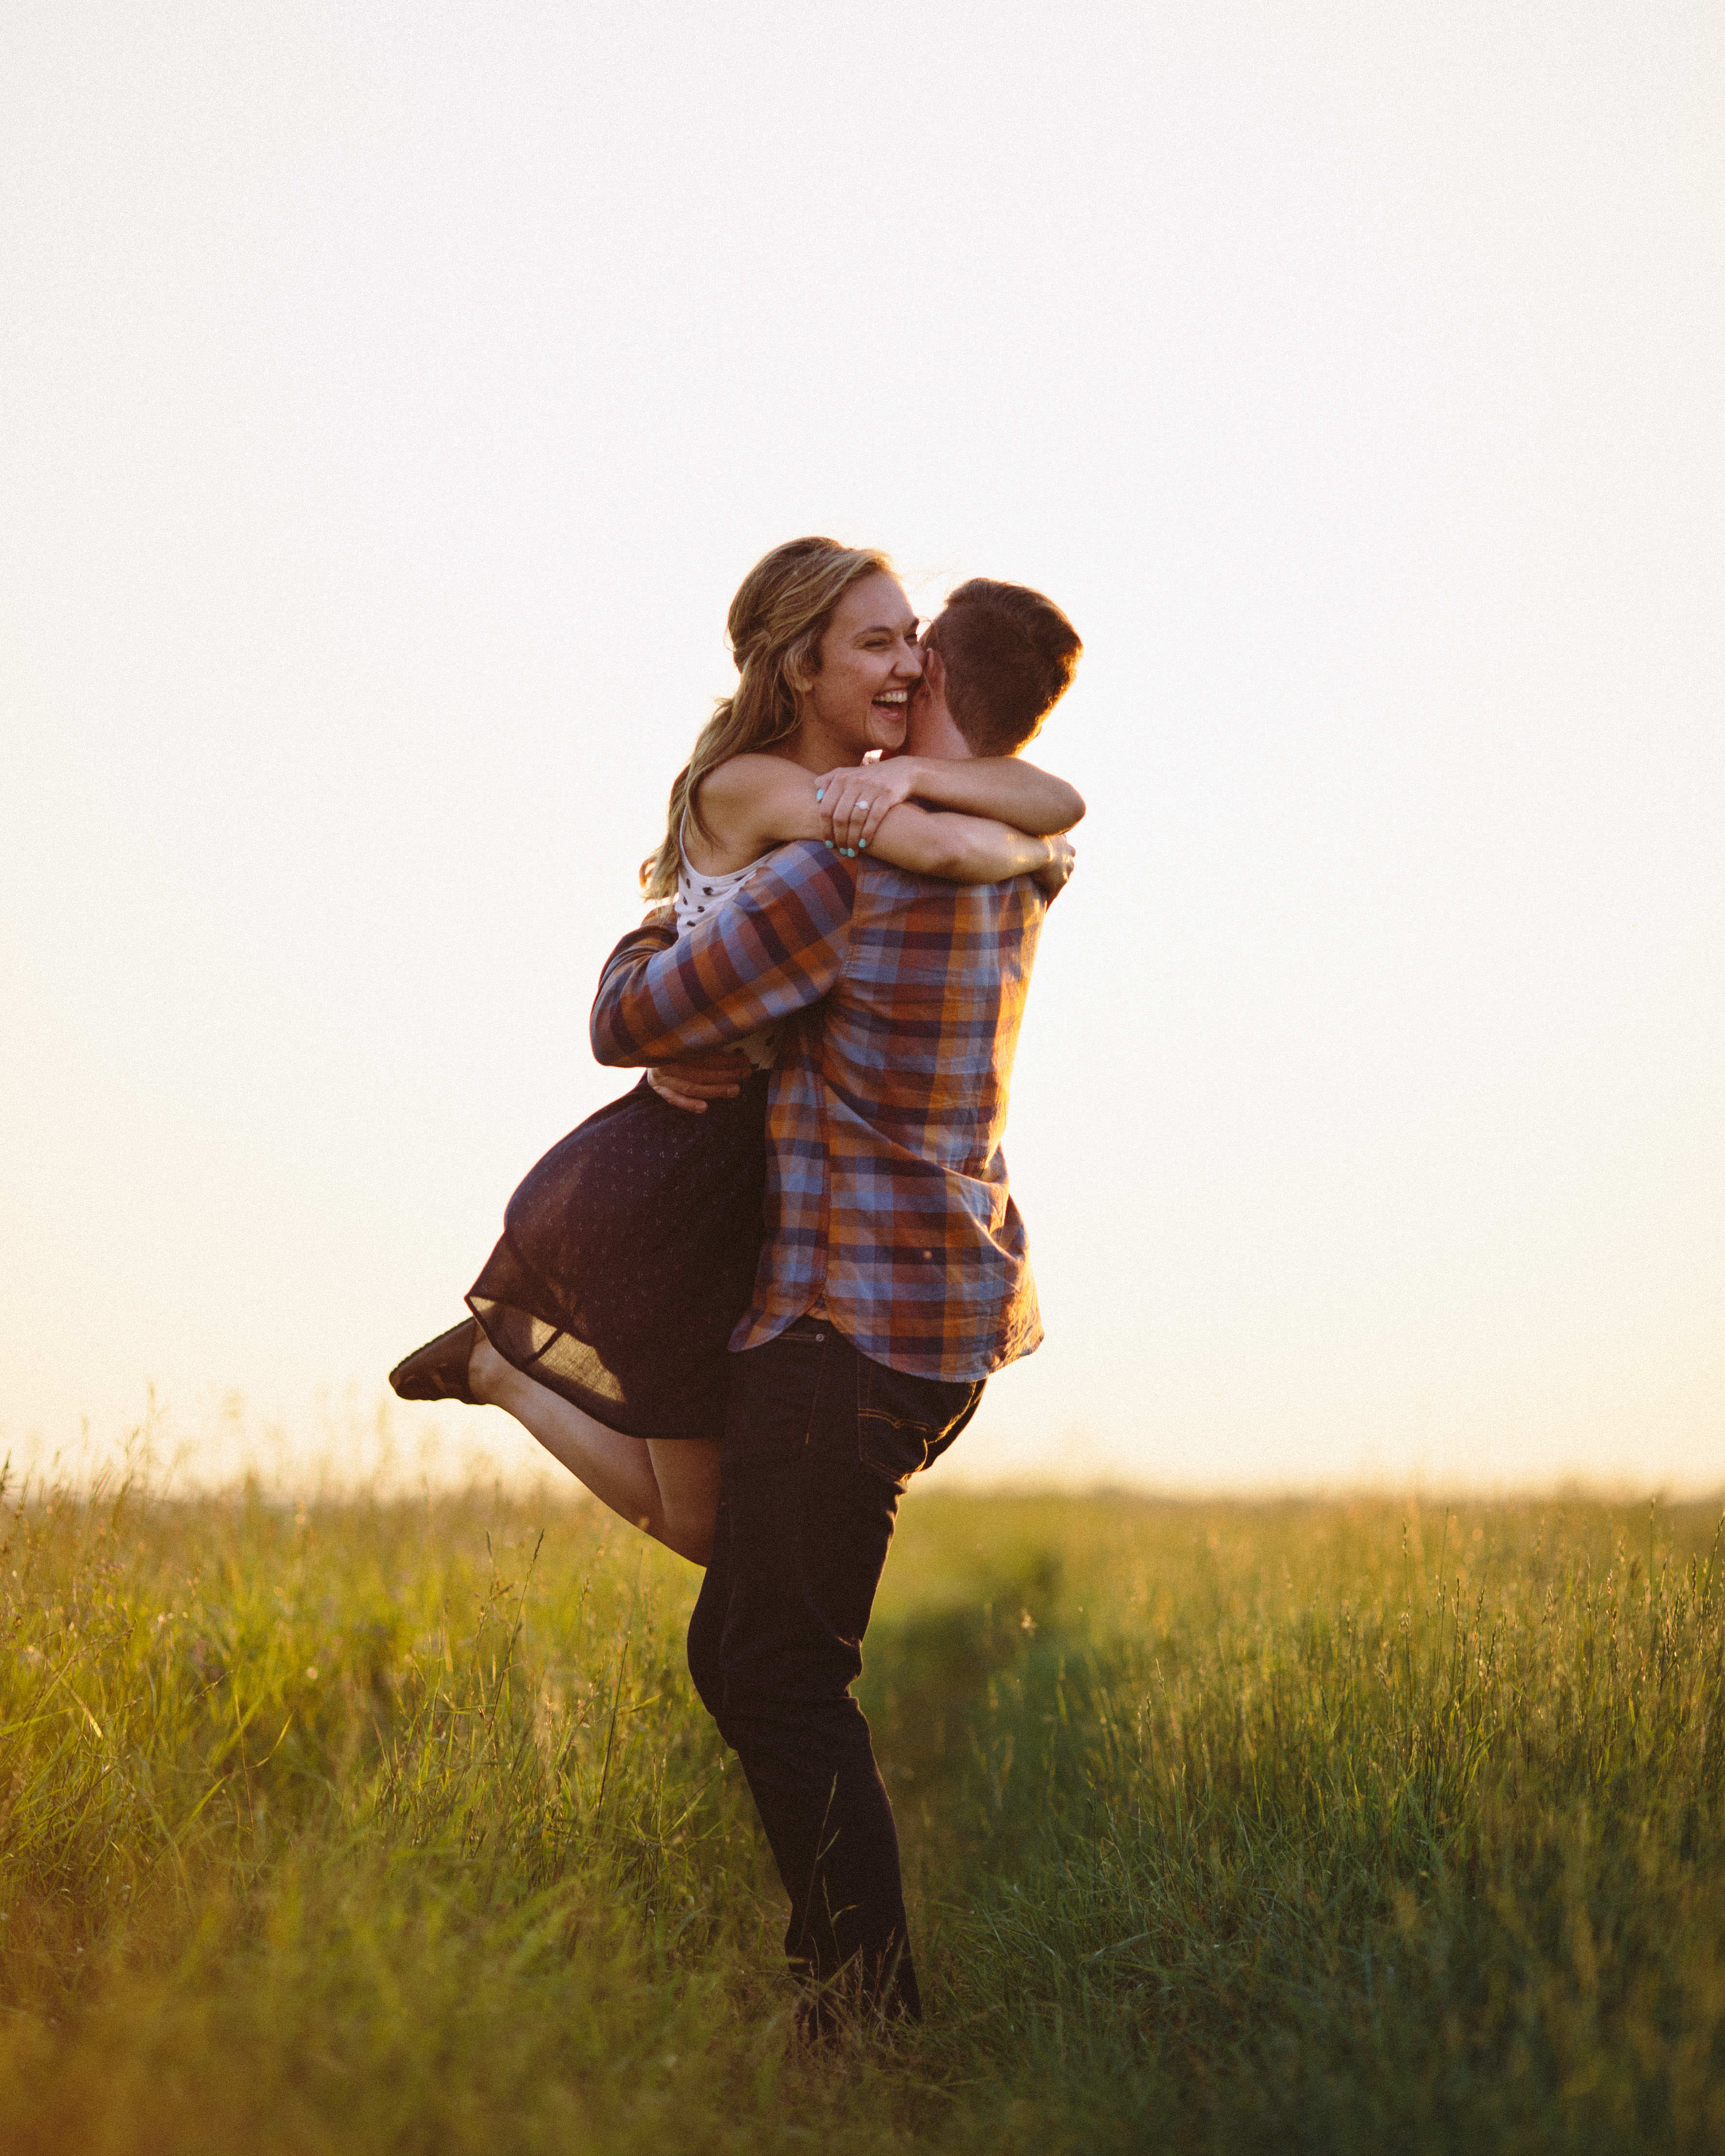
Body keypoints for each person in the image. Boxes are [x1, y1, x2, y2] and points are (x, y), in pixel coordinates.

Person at [585, 572, 1083, 2036]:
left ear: (929, 680)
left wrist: (653, 939)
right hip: (947, 1315)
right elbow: (1045, 807)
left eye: (903, 651)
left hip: (836, 1325)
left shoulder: (837, 876)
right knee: (750, 1652)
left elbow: (627, 1023)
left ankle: (865, 2018)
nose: (886, 670)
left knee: (778, 1669)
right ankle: (842, 1993)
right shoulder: (1022, 854)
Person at [389, 539, 1082, 1567]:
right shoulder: (776, 791)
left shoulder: (870, 787)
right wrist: (1033, 854)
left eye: (913, 644)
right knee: (720, 1529)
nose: (905, 665)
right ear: (803, 665)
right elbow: (963, 844)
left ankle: (497, 1373)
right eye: (880, 642)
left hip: (773, 1165)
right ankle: (499, 1368)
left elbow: (1053, 799)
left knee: (721, 1526)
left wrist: (961, 797)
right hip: (695, 1158)